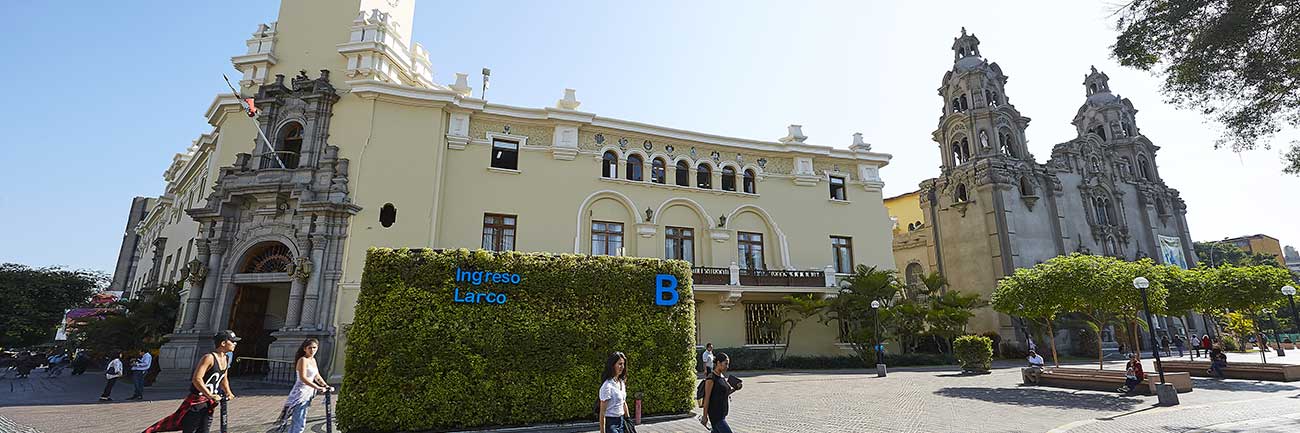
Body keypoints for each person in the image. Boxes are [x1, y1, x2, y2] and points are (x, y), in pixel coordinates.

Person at [144, 330, 238, 433]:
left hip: (209, 403)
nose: (235, 344)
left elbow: (223, 378)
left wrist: (228, 392)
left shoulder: (226, 358)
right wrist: (210, 395)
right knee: (190, 429)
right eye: (232, 341)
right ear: (223, 343)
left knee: (204, 430)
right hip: (197, 401)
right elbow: (197, 379)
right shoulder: (209, 358)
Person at [277, 338, 332, 433]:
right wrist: (318, 387)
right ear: (304, 349)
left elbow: (317, 376)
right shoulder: (303, 360)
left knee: (301, 416)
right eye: (309, 348)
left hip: (308, 393)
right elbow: (303, 378)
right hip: (300, 393)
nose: (312, 350)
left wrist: (325, 385)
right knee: (299, 419)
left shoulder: (313, 360)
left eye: (314, 348)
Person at [700, 352, 733, 433]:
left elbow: (724, 393)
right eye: (726, 364)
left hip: (722, 414)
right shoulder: (711, 378)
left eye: (728, 364)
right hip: (716, 415)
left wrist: (736, 388)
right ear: (718, 363)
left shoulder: (722, 377)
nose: (727, 366)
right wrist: (704, 416)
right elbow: (707, 398)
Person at [597, 352, 630, 433]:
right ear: (612, 365)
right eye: (620, 364)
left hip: (621, 421)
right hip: (611, 424)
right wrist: (602, 431)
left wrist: (628, 420)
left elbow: (623, 402)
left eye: (623, 364)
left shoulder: (621, 382)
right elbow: (602, 413)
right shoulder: (607, 386)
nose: (622, 367)